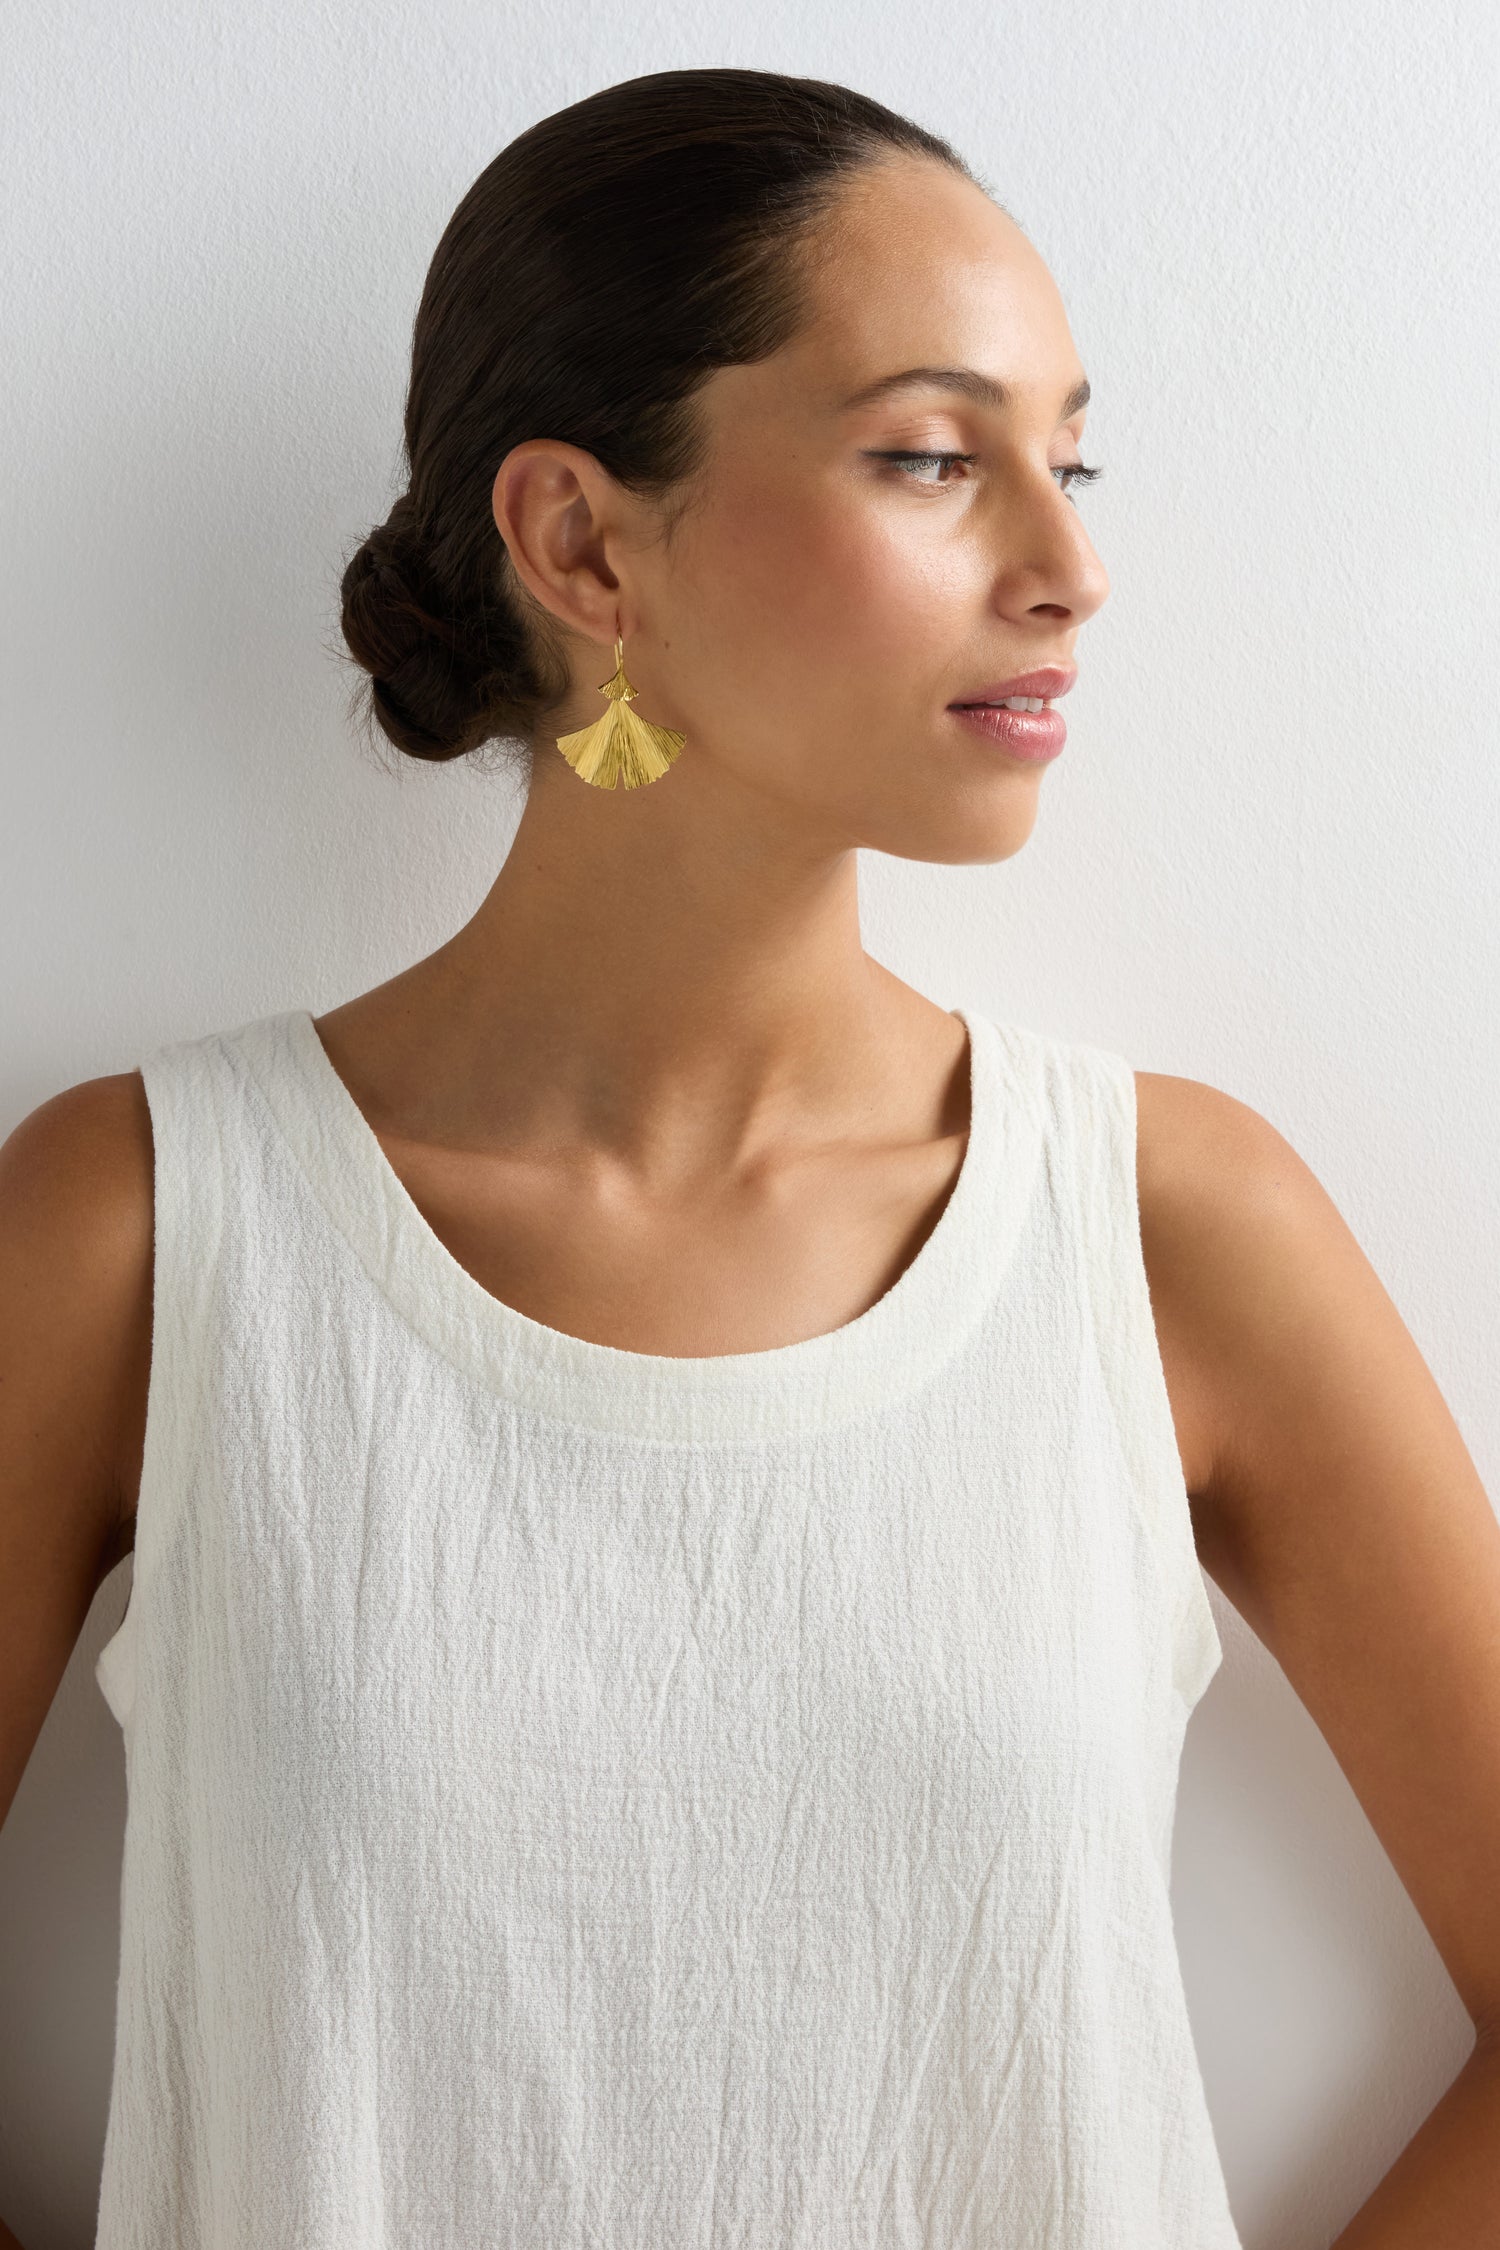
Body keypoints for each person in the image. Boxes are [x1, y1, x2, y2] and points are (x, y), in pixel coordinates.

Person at [3, 64, 1498, 2250]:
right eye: (930, 456)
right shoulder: (144, 1229)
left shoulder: (1165, 1229)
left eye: (1068, 458)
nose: (1071, 567)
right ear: (584, 541)